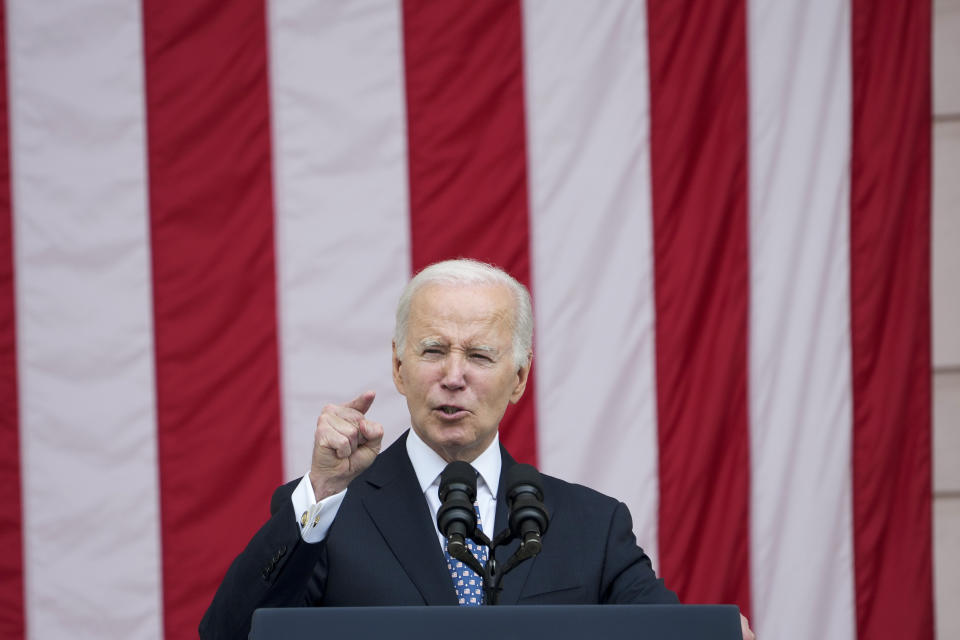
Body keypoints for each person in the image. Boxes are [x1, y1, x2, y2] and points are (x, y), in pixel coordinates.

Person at [199, 259, 754, 640]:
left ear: (518, 378)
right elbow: (231, 635)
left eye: (481, 357)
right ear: (398, 366)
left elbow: (672, 634)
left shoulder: (591, 525)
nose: (454, 376)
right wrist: (320, 493)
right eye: (434, 350)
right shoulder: (328, 514)